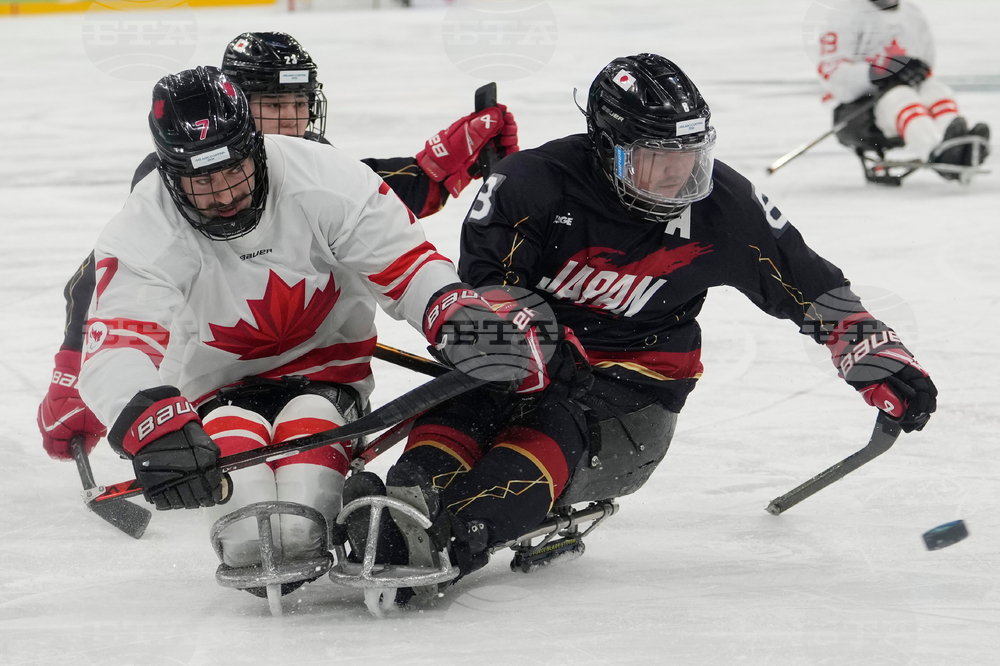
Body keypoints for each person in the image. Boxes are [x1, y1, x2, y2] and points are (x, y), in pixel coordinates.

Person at [347, 53, 938, 606]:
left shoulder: (725, 204)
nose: (678, 182)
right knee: (470, 398)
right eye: (656, 162)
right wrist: (525, 337)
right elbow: (483, 297)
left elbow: (813, 288)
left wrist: (880, 360)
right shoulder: (531, 184)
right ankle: (402, 502)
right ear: (606, 149)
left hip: (632, 394)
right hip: (523, 361)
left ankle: (454, 535)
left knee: (557, 418)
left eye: (690, 161)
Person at [75, 66, 528, 597]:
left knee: (301, 485)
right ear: (171, 174)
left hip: (327, 380)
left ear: (256, 146)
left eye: (234, 171)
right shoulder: (145, 222)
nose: (225, 196)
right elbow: (117, 344)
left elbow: (408, 267)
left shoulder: (325, 177)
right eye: (202, 180)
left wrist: (458, 316)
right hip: (210, 398)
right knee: (252, 537)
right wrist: (152, 426)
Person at [37, 31, 518, 466]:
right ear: (237, 107)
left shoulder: (309, 160)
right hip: (215, 371)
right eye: (272, 103)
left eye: (300, 101)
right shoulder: (179, 183)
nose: (290, 119)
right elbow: (108, 279)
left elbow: (362, 209)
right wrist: (78, 376)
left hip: (320, 359)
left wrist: (445, 164)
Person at [814, 0, 990, 183]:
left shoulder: (912, 15)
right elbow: (833, 75)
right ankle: (937, 152)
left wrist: (916, 71)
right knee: (898, 96)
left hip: (904, 103)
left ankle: (957, 147)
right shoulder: (846, 15)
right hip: (857, 113)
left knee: (935, 90)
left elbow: (926, 64)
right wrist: (879, 71)